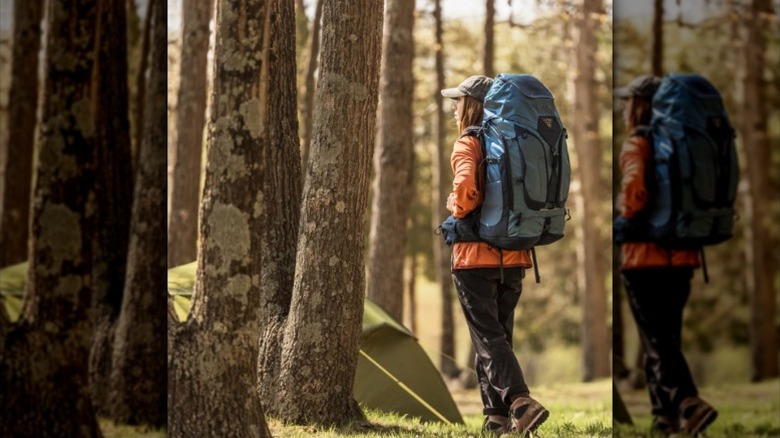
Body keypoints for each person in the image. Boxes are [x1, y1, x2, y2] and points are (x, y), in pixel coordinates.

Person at [441, 75, 549, 436]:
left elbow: (466, 192)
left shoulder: (468, 143)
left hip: (474, 259)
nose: (454, 107)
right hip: (515, 256)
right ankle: (497, 420)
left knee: (488, 339)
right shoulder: (513, 140)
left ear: (470, 104)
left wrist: (454, 206)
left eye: (457, 101)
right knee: (497, 337)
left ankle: (521, 402)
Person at [615, 75, 718, 436]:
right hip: (684, 256)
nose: (624, 106)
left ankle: (689, 402)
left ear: (639, 104)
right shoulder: (679, 141)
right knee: (663, 338)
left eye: (628, 101)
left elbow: (634, 194)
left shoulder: (638, 142)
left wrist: (622, 218)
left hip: (644, 260)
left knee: (657, 342)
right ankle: (665, 418)